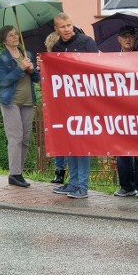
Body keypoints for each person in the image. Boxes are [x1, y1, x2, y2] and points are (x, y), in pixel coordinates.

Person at [49, 12, 98, 199]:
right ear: (56, 29)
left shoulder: (86, 42)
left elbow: (96, 68)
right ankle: (73, 182)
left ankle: (83, 186)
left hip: (84, 101)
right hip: (64, 102)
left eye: (69, 25)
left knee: (81, 142)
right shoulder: (56, 46)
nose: (67, 29)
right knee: (69, 141)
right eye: (62, 27)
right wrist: (42, 65)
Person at [0, 25, 40, 188]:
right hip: (10, 101)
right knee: (16, 137)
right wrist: (20, 69)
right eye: (11, 35)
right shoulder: (1, 58)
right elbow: (4, 81)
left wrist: (33, 70)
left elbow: (36, 78)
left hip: (28, 101)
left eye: (15, 34)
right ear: (4, 40)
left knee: (26, 139)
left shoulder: (27, 54)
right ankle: (14, 174)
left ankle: (18, 172)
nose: (15, 37)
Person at [112, 25, 138, 198]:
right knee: (122, 148)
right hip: (120, 109)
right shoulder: (112, 60)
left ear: (135, 39)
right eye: (124, 36)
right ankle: (126, 186)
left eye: (131, 36)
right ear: (118, 39)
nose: (128, 39)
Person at [44, 30, 67, 184]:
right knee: (59, 138)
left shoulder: (67, 61)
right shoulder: (47, 63)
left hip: (66, 104)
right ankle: (59, 171)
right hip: (55, 105)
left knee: (65, 139)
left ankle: (61, 172)